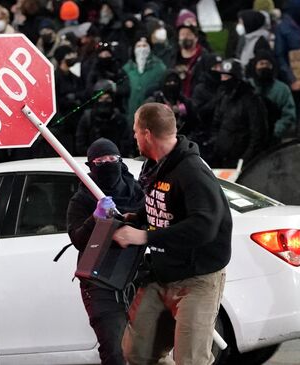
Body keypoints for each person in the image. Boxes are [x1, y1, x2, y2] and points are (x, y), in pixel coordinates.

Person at [107, 102, 231, 365]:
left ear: (147, 134)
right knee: (137, 353)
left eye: (135, 131)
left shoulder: (192, 171)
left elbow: (203, 225)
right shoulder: (153, 166)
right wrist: (138, 217)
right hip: (161, 274)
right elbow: (163, 204)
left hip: (197, 279)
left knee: (190, 359)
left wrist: (144, 237)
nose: (134, 137)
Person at [67, 138, 144, 365]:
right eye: (100, 161)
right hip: (99, 282)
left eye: (112, 159)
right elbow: (77, 239)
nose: (108, 164)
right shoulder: (82, 198)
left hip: (136, 277)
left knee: (145, 350)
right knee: (115, 350)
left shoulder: (137, 192)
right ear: (91, 166)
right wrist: (95, 219)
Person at [210, 58, 268, 168]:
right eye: (222, 76)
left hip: (242, 162)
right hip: (222, 158)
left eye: (227, 76)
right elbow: (216, 124)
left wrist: (244, 160)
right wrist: (216, 145)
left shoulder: (252, 100)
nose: (223, 80)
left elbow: (258, 134)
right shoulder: (223, 96)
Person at [249, 50, 297, 142]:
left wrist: (274, 132)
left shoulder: (282, 89)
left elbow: (288, 115)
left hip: (274, 138)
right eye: (261, 63)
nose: (264, 67)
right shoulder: (247, 86)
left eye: (267, 64)